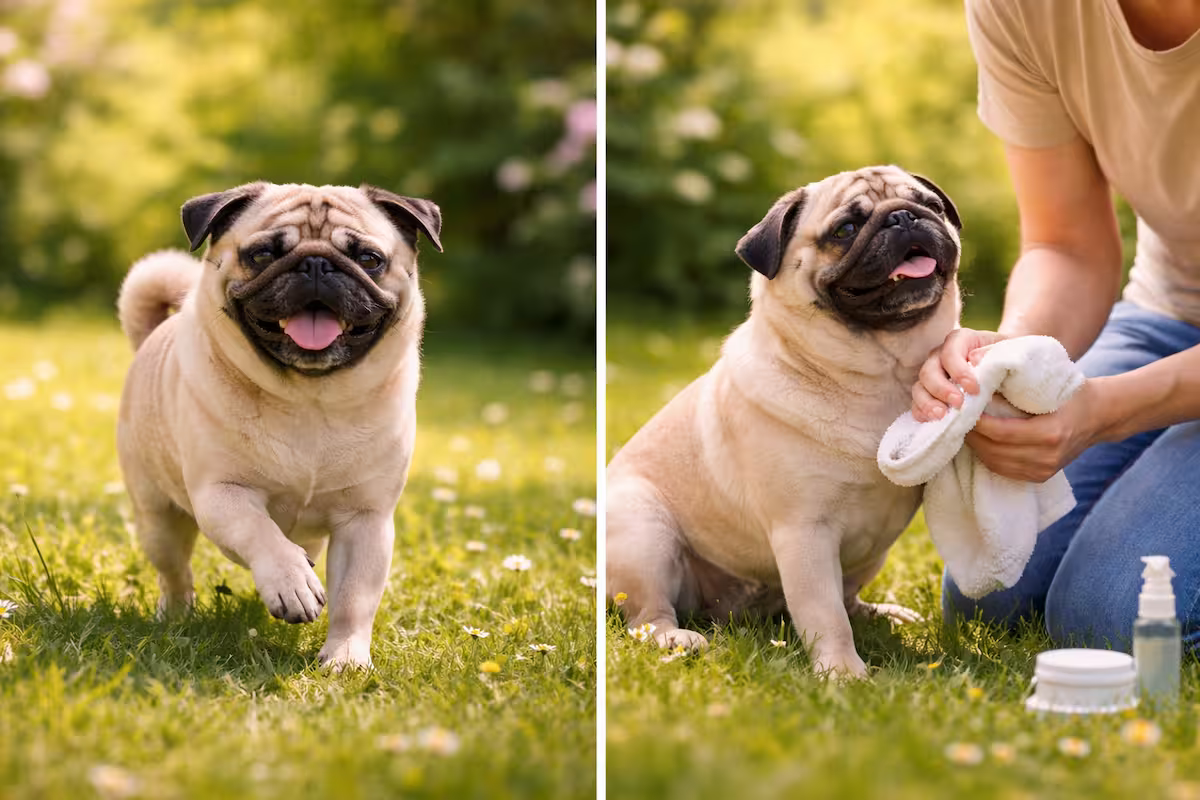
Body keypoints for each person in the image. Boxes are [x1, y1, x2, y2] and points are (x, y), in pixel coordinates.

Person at [914, 0, 1200, 649]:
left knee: (1116, 614)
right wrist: (1011, 355)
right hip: (1174, 312)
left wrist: (1108, 410)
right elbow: (1067, 245)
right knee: (994, 590)